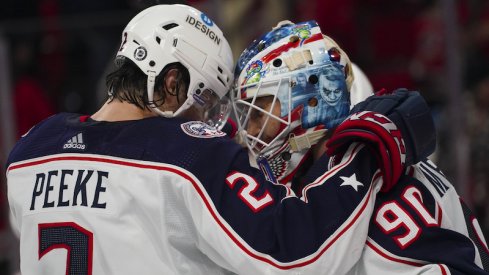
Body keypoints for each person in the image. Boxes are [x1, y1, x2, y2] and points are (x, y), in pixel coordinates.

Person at [7, 5, 433, 275]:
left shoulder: (29, 151)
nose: (208, 118)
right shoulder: (187, 154)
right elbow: (296, 257)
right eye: (205, 97)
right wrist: (367, 151)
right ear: (171, 81)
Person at [231, 20, 489, 274]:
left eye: (258, 112)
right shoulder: (368, 160)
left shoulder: (373, 184)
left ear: (308, 102)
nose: (251, 131)